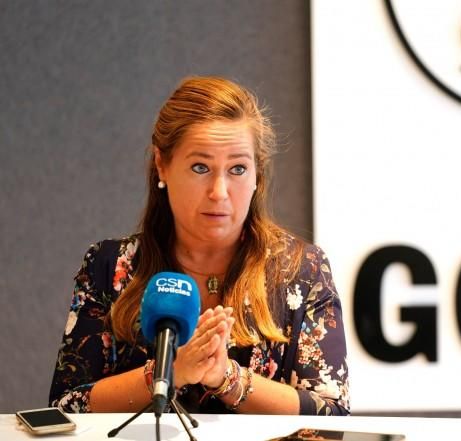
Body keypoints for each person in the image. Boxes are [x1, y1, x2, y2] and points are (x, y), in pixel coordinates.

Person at [48, 76, 350, 416]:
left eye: (238, 169)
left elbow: (332, 415)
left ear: (257, 175)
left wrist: (226, 378)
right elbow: (65, 408)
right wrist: (169, 373)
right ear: (162, 165)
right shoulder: (109, 265)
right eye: (200, 167)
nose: (219, 192)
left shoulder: (302, 270)